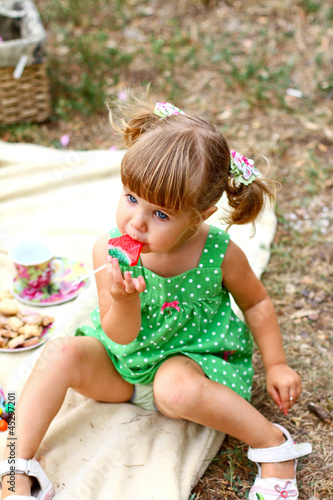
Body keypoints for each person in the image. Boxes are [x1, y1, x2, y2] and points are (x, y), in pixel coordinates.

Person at [0, 95, 311, 500]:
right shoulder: (107, 250)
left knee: (173, 388)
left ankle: (274, 446)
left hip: (193, 362)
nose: (136, 222)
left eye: (160, 215)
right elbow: (119, 336)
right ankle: (16, 468)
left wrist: (277, 364)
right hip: (122, 366)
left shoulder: (218, 253)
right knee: (60, 353)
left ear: (198, 216)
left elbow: (256, 303)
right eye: (130, 198)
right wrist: (124, 301)